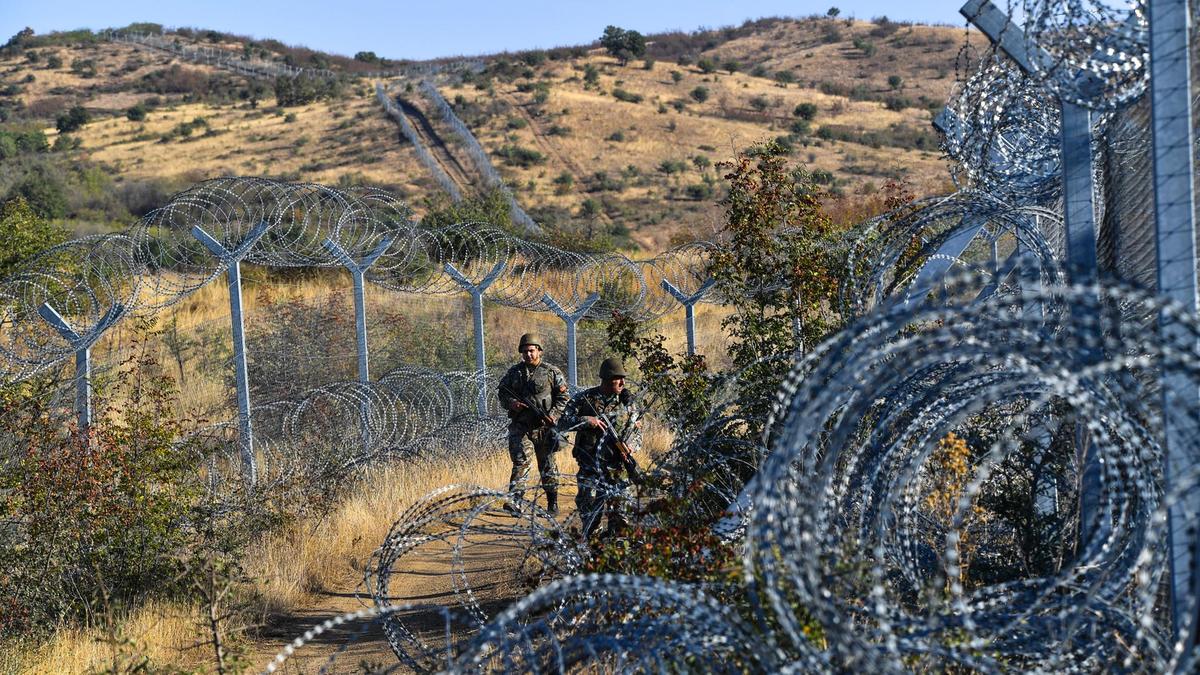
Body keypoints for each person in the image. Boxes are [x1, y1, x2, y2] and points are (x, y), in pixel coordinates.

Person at [559, 357, 642, 540]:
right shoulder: (584, 400)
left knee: (621, 515)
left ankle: (617, 549)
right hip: (590, 465)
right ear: (605, 380)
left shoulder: (628, 403)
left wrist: (631, 446)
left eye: (623, 379)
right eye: (617, 379)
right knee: (589, 510)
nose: (622, 383)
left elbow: (638, 433)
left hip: (617, 467)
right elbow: (562, 423)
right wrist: (586, 421)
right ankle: (593, 545)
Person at [497, 333, 570, 515]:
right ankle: (515, 502)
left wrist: (553, 416)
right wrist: (512, 403)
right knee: (521, 462)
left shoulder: (552, 372)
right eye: (525, 351)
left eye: (531, 350)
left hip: (544, 428)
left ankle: (552, 503)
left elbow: (563, 397)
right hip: (521, 426)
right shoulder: (514, 373)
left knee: (548, 466)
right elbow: (502, 394)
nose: (528, 354)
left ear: (539, 351)